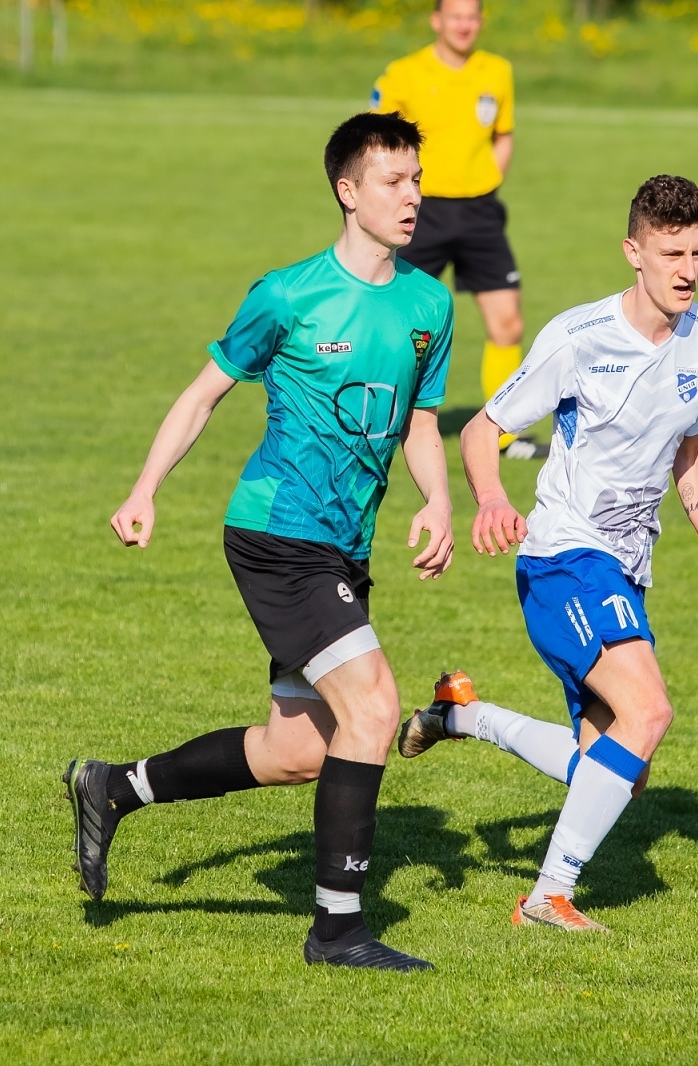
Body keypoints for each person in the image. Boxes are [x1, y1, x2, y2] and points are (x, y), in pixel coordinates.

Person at [64, 112, 455, 972]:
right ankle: (338, 930)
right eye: (394, 181)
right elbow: (204, 392)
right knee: (375, 708)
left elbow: (421, 422)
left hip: (345, 546)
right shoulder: (287, 293)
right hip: (277, 534)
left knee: (296, 753)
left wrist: (438, 498)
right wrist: (144, 489)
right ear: (348, 193)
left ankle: (112, 786)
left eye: (418, 179)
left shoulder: (430, 303)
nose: (413, 196)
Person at [397, 175, 698, 931]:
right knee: (649, 710)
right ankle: (547, 897)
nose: (688, 269)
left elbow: (690, 456)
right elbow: (481, 430)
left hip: (627, 570)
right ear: (633, 251)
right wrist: (495, 499)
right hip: (564, 558)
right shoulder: (579, 338)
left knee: (611, 775)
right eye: (671, 252)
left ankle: (459, 717)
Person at [372, 0, 545, 459]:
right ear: (437, 21)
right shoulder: (405, 73)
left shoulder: (497, 70)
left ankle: (507, 437)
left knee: (508, 322)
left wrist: (492, 175)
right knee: (397, 321)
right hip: (420, 210)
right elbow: (376, 141)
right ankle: (379, 419)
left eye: (472, 16)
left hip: (480, 213)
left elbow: (502, 133)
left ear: (480, 21)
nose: (464, 25)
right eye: (456, 16)